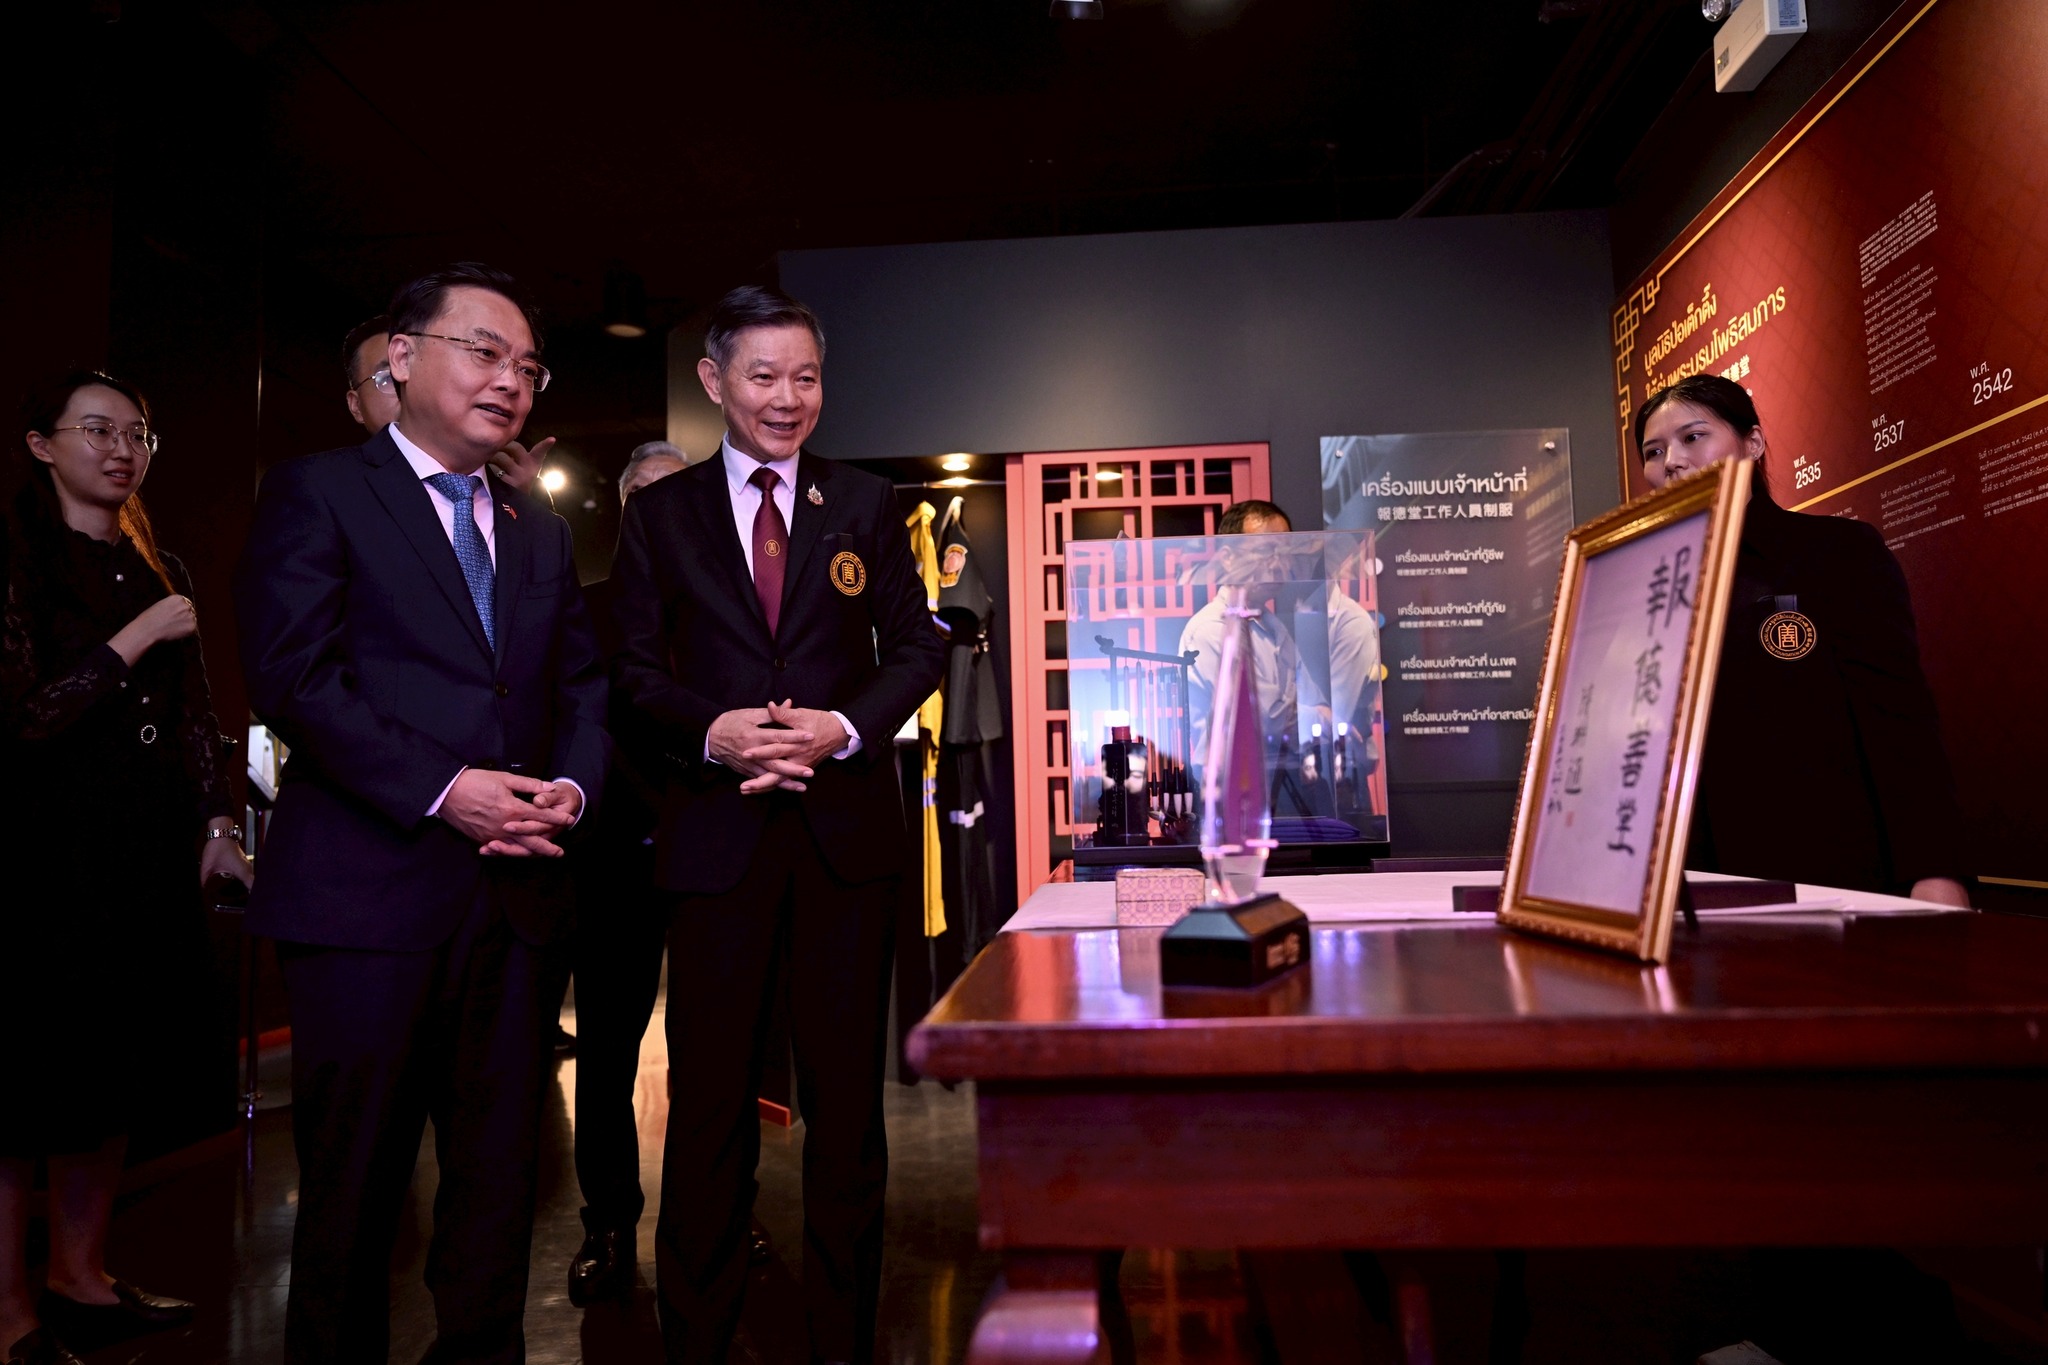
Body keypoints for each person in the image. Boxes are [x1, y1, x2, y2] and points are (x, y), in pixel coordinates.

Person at [235, 262, 609, 1365]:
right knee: (353, 1197)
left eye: (528, 366)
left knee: (498, 1190)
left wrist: (570, 790)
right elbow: (295, 677)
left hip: (516, 904)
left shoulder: (535, 529)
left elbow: (582, 688)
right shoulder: (319, 491)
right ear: (401, 357)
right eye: (485, 352)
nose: (511, 380)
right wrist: (448, 791)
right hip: (367, 906)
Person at [612, 285, 945, 1365]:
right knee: (710, 1107)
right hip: (716, 843)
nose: (787, 397)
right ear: (715, 381)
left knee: (846, 1111)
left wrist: (841, 727)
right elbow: (630, 671)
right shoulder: (661, 515)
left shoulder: (868, 501)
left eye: (805, 376)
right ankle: (696, 1335)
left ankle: (843, 1337)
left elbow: (919, 645)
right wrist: (714, 732)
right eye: (764, 376)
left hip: (845, 845)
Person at [2, 371, 249, 1365]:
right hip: (38, 853)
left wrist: (219, 821)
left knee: (113, 1077)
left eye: (137, 434)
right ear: (41, 444)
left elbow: (195, 714)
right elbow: (23, 718)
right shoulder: (18, 558)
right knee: (26, 1091)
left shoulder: (158, 562)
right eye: (98, 430)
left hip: (142, 850)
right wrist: (136, 637)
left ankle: (82, 1278)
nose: (122, 450)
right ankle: (10, 1317)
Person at [1635, 373, 1970, 904]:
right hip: (1693, 889)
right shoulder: (1646, 589)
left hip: (1829, 873)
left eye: (1693, 437)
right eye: (1653, 452)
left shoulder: (1836, 554)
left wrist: (1936, 868)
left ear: (1753, 442)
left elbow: (1899, 721)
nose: (1672, 462)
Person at [564, 438, 695, 1307]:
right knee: (609, 1049)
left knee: (714, 1046)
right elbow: (581, 726)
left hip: (718, 848)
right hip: (614, 853)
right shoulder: (587, 607)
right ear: (624, 506)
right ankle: (608, 1223)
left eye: (674, 492)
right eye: (643, 492)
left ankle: (717, 1210)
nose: (657, 507)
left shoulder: (734, 607)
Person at [1180, 499, 1383, 826]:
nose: (1278, 565)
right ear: (1228, 557)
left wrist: (1312, 715)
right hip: (1231, 797)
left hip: (1286, 789)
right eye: (1265, 551)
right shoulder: (1211, 628)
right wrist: (1317, 717)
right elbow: (1263, 716)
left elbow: (1310, 699)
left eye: (1285, 552)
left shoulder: (1273, 627)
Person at [344, 312, 553, 495]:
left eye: (528, 371)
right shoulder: (331, 488)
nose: (409, 387)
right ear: (356, 405)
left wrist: (520, 503)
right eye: (389, 378)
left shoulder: (512, 495)